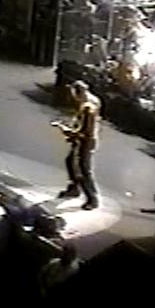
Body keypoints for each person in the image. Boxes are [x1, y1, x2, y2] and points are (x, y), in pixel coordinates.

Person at [56, 80, 101, 210]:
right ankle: (74, 188)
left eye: (74, 94)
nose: (73, 98)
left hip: (85, 141)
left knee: (83, 169)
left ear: (78, 93)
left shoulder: (88, 107)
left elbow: (86, 131)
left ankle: (92, 199)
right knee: (70, 161)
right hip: (85, 139)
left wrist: (66, 130)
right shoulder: (92, 101)